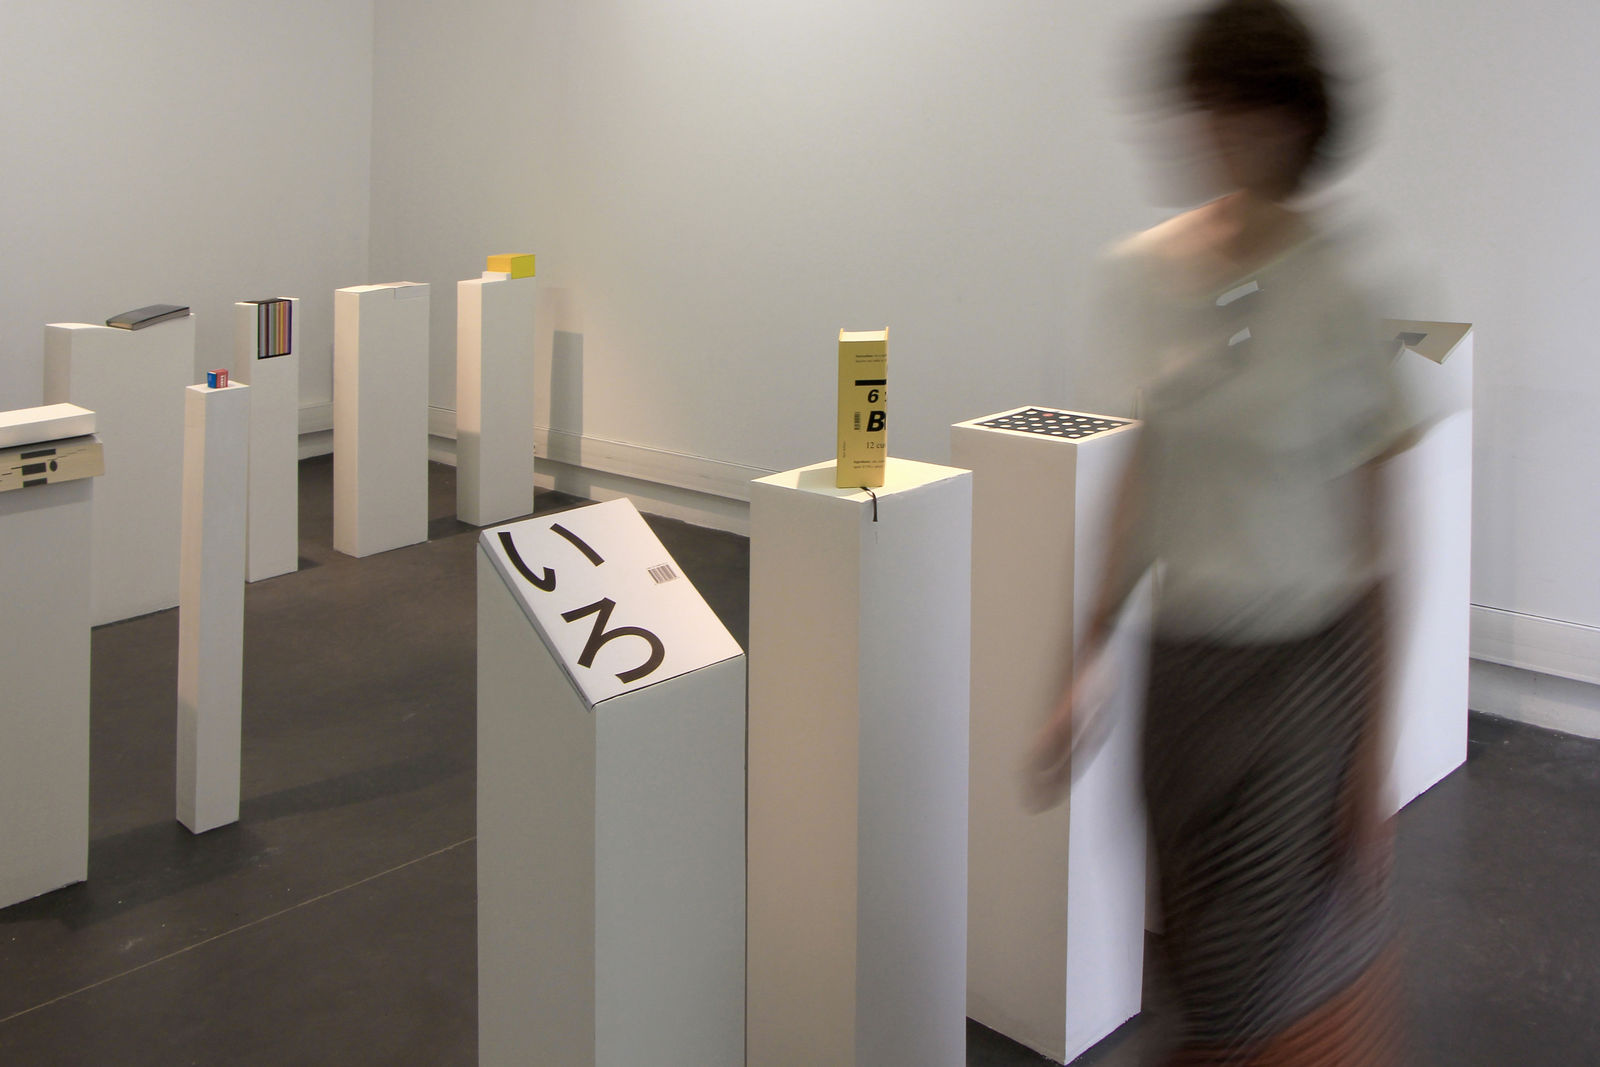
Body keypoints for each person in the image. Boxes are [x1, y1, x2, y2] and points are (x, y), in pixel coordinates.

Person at [1026, 1, 1413, 1062]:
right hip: (1187, 674)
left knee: (1263, 977)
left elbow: (1385, 541)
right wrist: (1083, 654)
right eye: (1204, 107)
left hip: (1306, 678)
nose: (1216, 133)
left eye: (1244, 111)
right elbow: (1141, 479)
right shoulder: (1141, 276)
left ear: (1296, 121)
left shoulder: (1349, 290)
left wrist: (1371, 761)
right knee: (1199, 963)